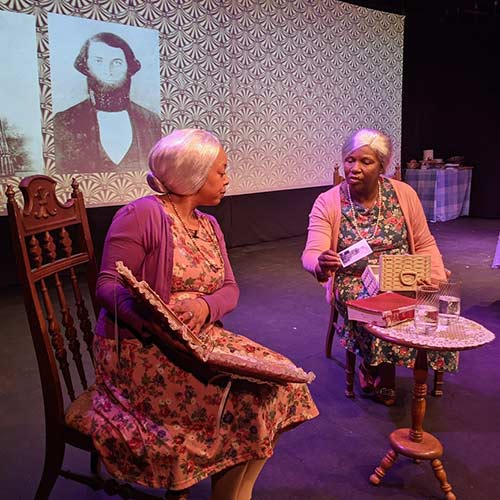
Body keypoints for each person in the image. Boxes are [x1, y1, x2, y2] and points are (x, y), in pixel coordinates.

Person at [91, 128, 318, 499]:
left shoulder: (209, 225)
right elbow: (107, 286)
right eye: (221, 171)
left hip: (198, 340)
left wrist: (203, 306)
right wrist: (154, 319)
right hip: (144, 348)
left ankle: (235, 494)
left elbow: (230, 289)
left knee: (283, 383)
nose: (227, 179)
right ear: (193, 174)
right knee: (248, 401)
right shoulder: (142, 215)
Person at [301, 128, 457, 406]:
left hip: (403, 274)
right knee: (374, 304)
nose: (355, 168)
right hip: (354, 278)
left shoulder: (403, 195)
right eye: (350, 160)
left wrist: (434, 274)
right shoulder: (328, 202)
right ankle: (378, 369)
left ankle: (412, 359)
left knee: (433, 300)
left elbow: (424, 242)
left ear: (382, 166)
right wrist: (320, 263)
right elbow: (312, 251)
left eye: (365, 162)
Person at [54, 32, 161, 174]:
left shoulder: (151, 120)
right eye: (99, 61)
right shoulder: (64, 120)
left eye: (117, 62)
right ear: (86, 66)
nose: (108, 71)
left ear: (128, 67)